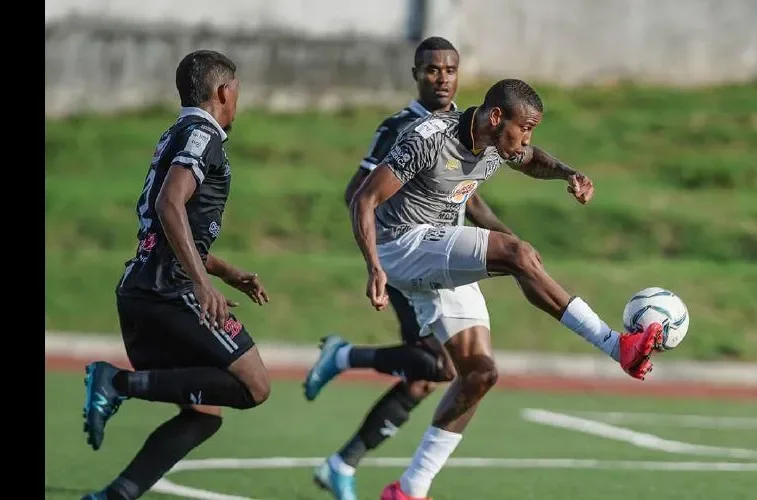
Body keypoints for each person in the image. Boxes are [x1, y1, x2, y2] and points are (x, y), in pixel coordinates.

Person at [346, 78, 664, 500]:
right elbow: (363, 199)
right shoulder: (429, 138)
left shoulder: (499, 143)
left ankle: (408, 490)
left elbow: (532, 160)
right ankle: (616, 346)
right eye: (524, 128)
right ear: (496, 117)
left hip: (437, 250)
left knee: (479, 375)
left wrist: (569, 174)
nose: (527, 139)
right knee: (517, 254)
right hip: (400, 245)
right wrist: (373, 267)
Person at [304, 37, 514, 500]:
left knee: (425, 378)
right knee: (442, 366)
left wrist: (509, 242)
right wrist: (379, 258)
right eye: (432, 70)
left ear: (460, 74)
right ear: (415, 73)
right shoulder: (400, 127)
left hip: (442, 261)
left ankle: (343, 462)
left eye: (450, 69)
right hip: (405, 258)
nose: (442, 78)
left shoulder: (467, 127)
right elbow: (356, 192)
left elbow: (468, 194)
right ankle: (342, 358)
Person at [80, 49, 273, 500]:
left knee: (204, 414)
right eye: (237, 93)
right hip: (172, 292)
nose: (237, 102)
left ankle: (114, 496)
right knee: (255, 387)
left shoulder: (174, 134)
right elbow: (170, 204)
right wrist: (203, 284)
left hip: (142, 290)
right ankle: (118, 382)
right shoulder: (204, 136)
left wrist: (224, 271)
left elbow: (167, 228)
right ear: (224, 92)